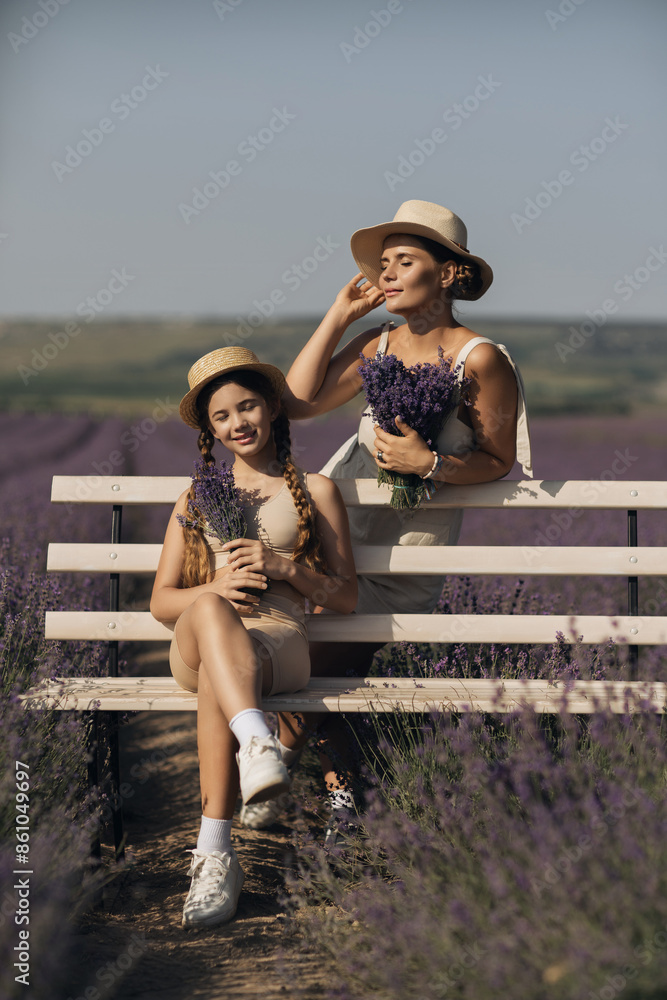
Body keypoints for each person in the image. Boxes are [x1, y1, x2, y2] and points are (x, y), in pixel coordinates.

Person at [241, 199, 533, 836]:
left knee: (331, 660)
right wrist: (339, 315)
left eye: (406, 261)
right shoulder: (377, 343)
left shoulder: (479, 359)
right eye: (384, 264)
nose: (389, 274)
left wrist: (430, 464)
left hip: (408, 542)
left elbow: (497, 460)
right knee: (309, 657)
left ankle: (294, 776)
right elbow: (295, 402)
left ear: (450, 273)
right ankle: (333, 798)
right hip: (339, 523)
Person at [150, 346, 357, 928]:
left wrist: (288, 568)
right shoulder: (196, 498)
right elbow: (162, 601)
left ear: (272, 409)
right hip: (202, 635)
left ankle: (215, 853)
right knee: (213, 611)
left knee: (225, 673)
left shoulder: (315, 491)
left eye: (248, 408)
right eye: (222, 416)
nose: (238, 423)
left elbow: (344, 595)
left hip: (277, 640)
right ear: (210, 429)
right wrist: (212, 584)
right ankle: (257, 743)